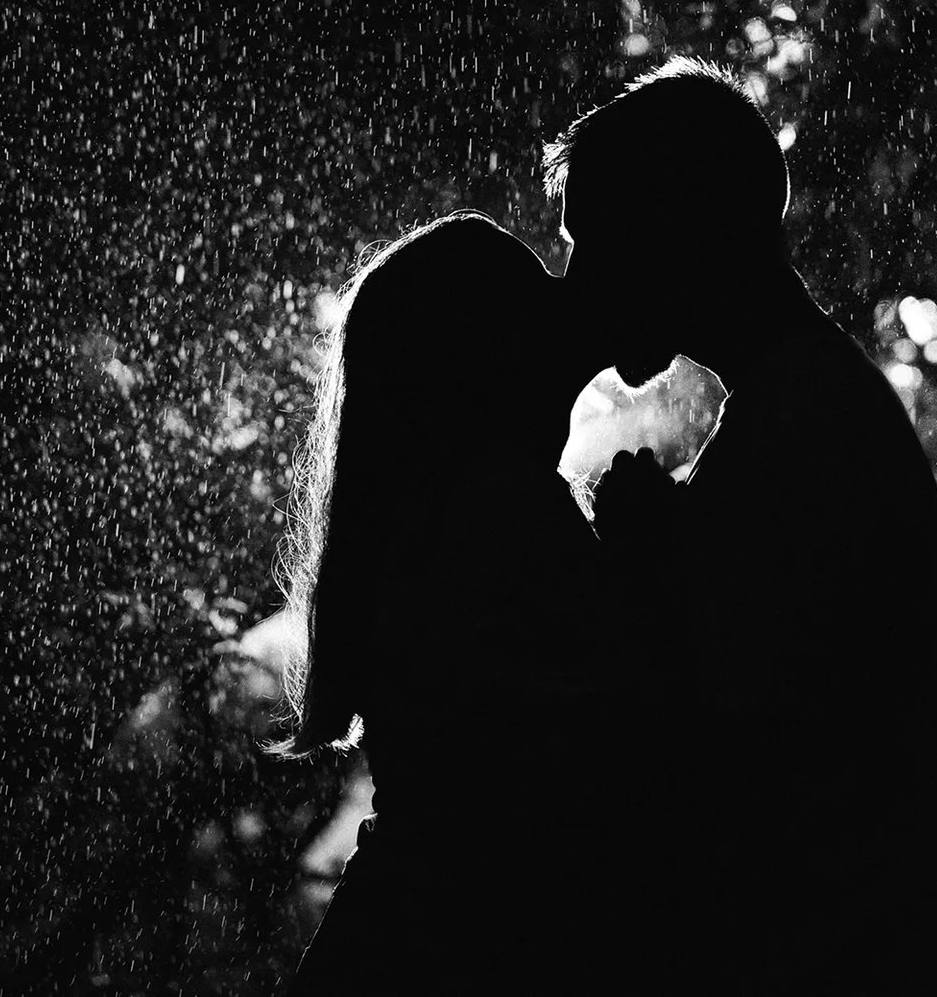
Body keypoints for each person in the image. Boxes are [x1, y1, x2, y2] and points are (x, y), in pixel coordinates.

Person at [549, 56, 937, 993]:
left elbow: (720, 754)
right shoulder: (814, 407)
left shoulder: (800, 431)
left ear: (671, 227)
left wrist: (640, 574)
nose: (578, 280)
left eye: (594, 238)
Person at [278, 211, 662, 994]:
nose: (565, 305)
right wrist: (648, 567)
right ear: (489, 357)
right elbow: (632, 747)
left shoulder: (429, 520)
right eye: (535, 301)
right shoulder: (505, 511)